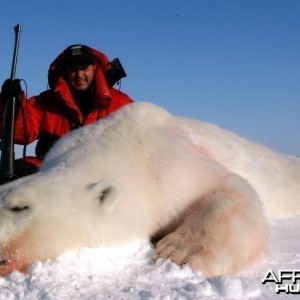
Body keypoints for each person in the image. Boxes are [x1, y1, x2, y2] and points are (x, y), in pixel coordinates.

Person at [0, 44, 133, 177]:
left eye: (84, 68)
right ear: (65, 71)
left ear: (94, 67)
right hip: (51, 170)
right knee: (18, 171)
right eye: (73, 69)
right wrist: (10, 104)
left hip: (99, 172)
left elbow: (137, 140)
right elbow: (21, 134)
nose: (79, 74)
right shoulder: (47, 101)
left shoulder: (120, 103)